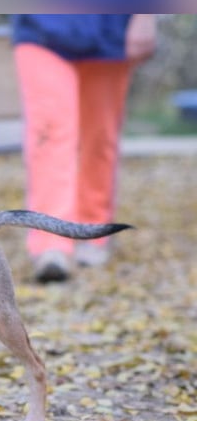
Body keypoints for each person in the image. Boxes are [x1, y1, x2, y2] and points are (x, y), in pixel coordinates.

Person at [11, 14, 157, 282]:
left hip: (111, 27)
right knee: (50, 134)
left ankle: (92, 230)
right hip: (40, 28)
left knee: (99, 138)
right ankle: (50, 242)